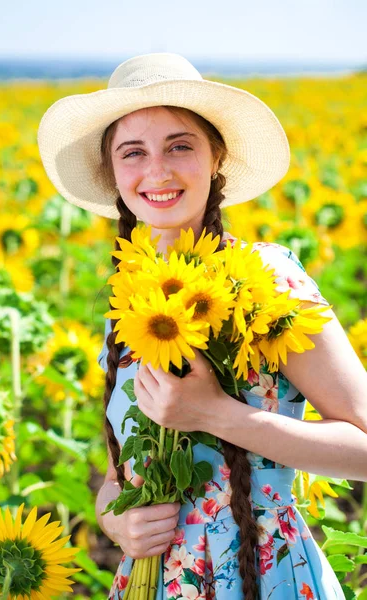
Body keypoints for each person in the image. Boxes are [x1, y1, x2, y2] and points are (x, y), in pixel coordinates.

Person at [37, 52, 367, 600]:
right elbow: (126, 470)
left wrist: (216, 414)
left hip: (264, 573)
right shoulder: (130, 301)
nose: (158, 171)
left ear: (216, 158)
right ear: (113, 174)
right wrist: (115, 520)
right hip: (153, 584)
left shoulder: (268, 278)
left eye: (180, 145)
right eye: (133, 152)